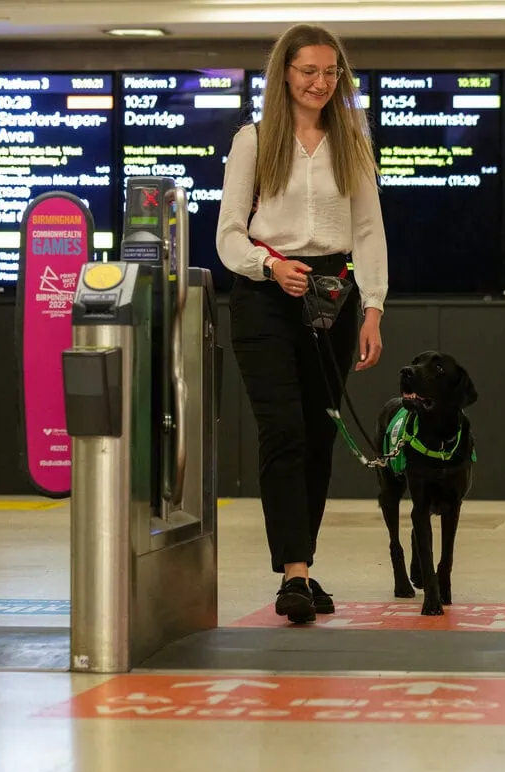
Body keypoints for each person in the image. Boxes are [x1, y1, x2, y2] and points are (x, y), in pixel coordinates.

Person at [216, 23, 388, 624]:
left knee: (318, 435)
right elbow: (229, 235)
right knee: (284, 430)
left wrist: (373, 308)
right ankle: (293, 573)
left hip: (332, 297)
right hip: (266, 295)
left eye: (331, 72)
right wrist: (270, 266)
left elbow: (368, 230)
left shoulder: (352, 143)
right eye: (309, 71)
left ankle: (303, 566)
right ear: (284, 74)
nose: (320, 82)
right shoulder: (254, 140)